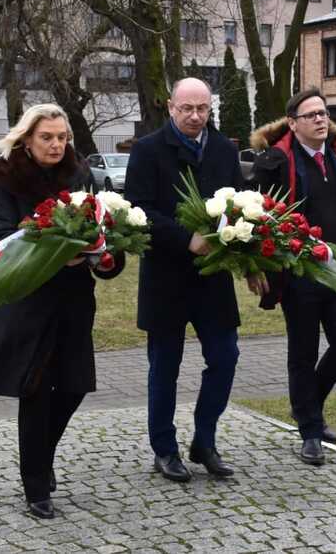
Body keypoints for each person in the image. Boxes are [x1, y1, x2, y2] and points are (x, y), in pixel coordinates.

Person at [0, 103, 124, 519]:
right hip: (27, 299)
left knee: (75, 385)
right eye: (47, 137)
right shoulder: (5, 177)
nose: (57, 144)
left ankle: (41, 456)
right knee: (36, 391)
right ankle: (36, 485)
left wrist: (105, 255)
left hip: (74, 301)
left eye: (62, 137)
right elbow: (0, 233)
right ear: (27, 138)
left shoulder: (79, 174)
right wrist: (55, 253)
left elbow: (100, 227)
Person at [248, 87, 336, 465]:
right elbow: (254, 218)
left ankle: (307, 404)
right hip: (298, 274)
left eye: (324, 113)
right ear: (293, 124)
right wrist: (258, 267)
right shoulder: (274, 162)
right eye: (311, 115)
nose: (320, 119)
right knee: (303, 351)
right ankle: (310, 431)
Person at [124, 77, 245, 483]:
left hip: (213, 279)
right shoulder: (147, 150)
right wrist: (185, 240)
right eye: (187, 109)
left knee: (226, 357)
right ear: (171, 108)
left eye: (203, 109)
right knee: (164, 367)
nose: (195, 116)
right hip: (166, 278)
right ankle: (165, 448)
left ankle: (205, 440)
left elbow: (241, 205)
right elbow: (137, 211)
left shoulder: (226, 150)